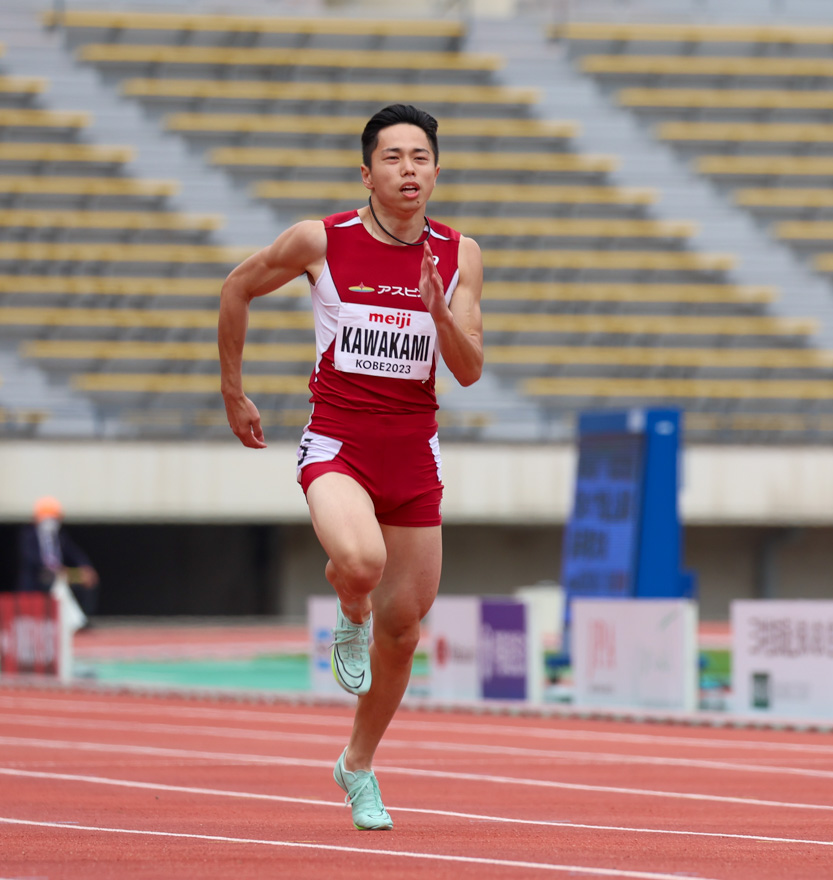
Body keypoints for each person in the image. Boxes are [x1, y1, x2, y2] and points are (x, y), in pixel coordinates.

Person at [218, 104, 483, 831]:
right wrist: (233, 391)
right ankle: (348, 605)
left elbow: (470, 371)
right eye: (393, 157)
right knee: (361, 562)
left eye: (420, 157)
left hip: (412, 454)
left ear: (436, 170)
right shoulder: (321, 240)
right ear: (367, 172)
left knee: (406, 629)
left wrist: (439, 314)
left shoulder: (460, 254)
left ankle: (356, 766)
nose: (408, 169)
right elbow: (235, 289)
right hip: (338, 443)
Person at [16, 495, 99, 622]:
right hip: (41, 575)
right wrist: (54, 569)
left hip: (62, 573)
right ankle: (53, 618)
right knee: (51, 579)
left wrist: (85, 567)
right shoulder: (28, 536)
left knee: (88, 579)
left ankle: (81, 619)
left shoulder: (60, 536)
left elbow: (75, 553)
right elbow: (31, 559)